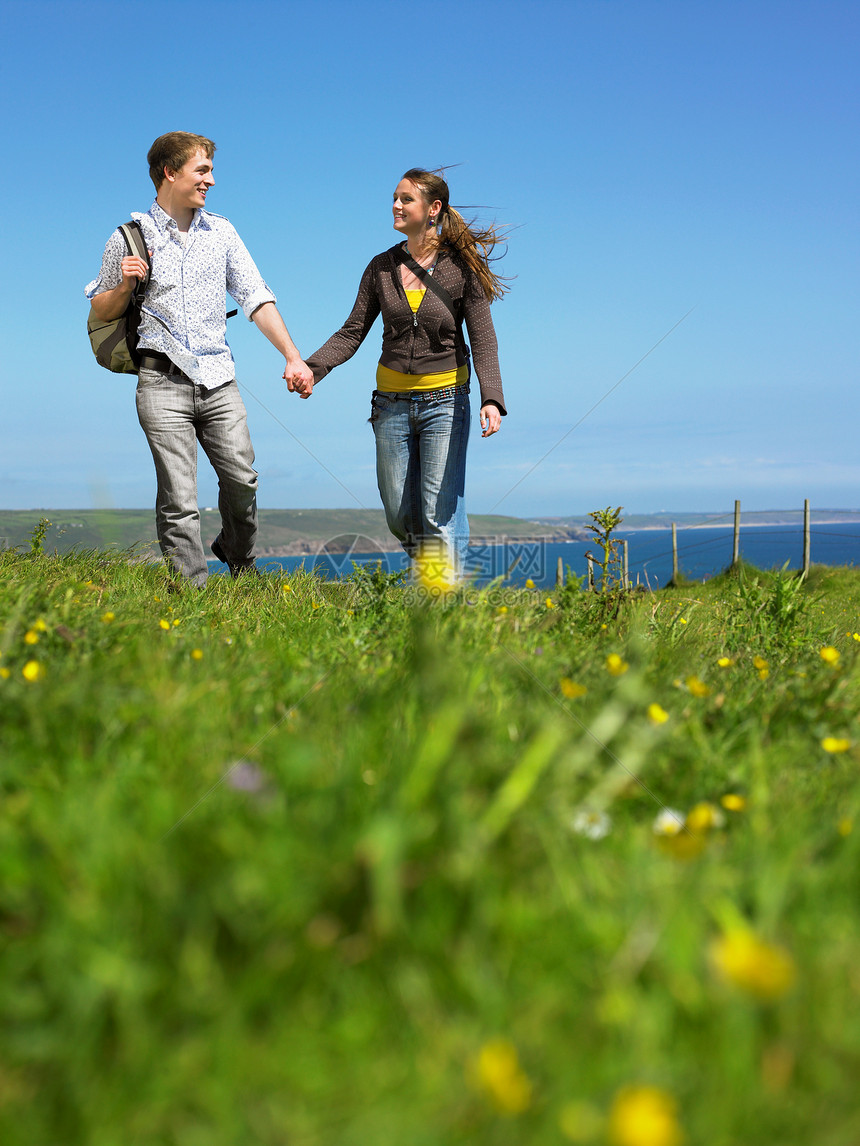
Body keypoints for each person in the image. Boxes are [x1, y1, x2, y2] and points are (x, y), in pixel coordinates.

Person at [85, 131, 313, 587]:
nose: (211, 179)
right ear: (170, 173)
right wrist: (124, 286)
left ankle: (235, 550)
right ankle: (191, 592)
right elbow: (99, 309)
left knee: (242, 480)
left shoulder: (222, 231)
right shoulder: (129, 236)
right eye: (202, 170)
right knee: (180, 498)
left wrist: (293, 356)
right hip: (160, 383)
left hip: (219, 379)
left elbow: (255, 297)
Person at [290, 168, 508, 580]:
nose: (396, 204)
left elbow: (483, 339)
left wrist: (491, 398)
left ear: (433, 209)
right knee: (399, 514)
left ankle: (442, 607)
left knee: (438, 513)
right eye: (395, 197)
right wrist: (313, 369)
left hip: (446, 401)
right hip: (389, 405)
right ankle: (436, 582)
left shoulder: (461, 268)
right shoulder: (381, 267)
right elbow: (352, 331)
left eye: (406, 199)